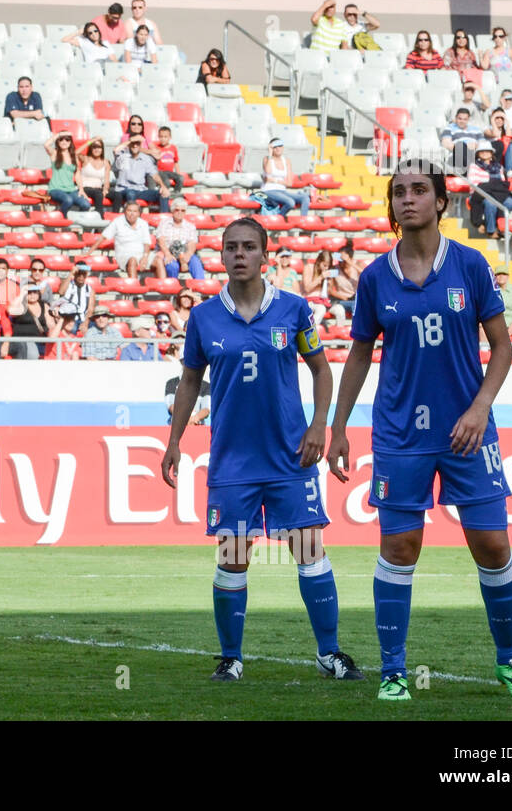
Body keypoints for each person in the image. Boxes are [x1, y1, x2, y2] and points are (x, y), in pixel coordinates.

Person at [327, 158, 512, 701]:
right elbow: (357, 357)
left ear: (441, 202)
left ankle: (511, 661)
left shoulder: (470, 266)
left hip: (468, 431)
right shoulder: (376, 277)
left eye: (420, 189)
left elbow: (502, 348)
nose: (408, 198)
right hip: (400, 435)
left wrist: (479, 408)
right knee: (401, 547)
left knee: (492, 545)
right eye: (399, 191)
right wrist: (339, 427)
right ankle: (394, 670)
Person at [162, 216, 361, 684]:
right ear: (222, 254)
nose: (238, 254)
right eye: (231, 246)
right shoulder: (204, 317)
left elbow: (322, 371)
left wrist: (319, 426)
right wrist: (174, 440)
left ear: (264, 255)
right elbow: (191, 381)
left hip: (291, 458)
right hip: (232, 461)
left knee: (309, 549)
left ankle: (329, 653)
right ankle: (231, 657)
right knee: (233, 557)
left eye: (248, 246)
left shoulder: (293, 310)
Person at [85, 200, 154, 278]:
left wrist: (145, 257)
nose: (132, 214)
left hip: (142, 254)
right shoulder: (117, 222)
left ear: (139, 213)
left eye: (135, 211)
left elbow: (147, 242)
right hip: (124, 255)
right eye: (129, 211)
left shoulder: (143, 223)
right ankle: (133, 286)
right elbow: (103, 237)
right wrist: (88, 252)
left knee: (159, 260)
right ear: (124, 211)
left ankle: (164, 286)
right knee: (132, 260)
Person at [109, 137, 165, 212]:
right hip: (124, 189)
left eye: (137, 143)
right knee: (131, 193)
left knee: (163, 194)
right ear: (129, 144)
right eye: (133, 144)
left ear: (140, 145)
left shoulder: (145, 159)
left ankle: (165, 219)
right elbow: (115, 150)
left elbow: (154, 174)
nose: (135, 146)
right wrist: (129, 140)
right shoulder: (123, 157)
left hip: (140, 190)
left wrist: (163, 186)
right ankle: (132, 218)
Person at [155, 197, 205, 280]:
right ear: (172, 210)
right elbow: (161, 241)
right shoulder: (164, 223)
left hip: (185, 252)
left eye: (183, 210)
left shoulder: (190, 226)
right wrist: (167, 254)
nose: (179, 213)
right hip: (169, 253)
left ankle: (200, 287)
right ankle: (172, 290)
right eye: (177, 210)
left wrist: (188, 255)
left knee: (196, 262)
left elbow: (192, 243)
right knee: (172, 265)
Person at [45, 131, 90, 218]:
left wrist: (81, 189)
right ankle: (62, 219)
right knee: (68, 200)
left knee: (86, 205)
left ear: (70, 142)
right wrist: (58, 134)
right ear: (57, 142)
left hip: (71, 189)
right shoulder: (55, 153)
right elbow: (46, 145)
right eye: (61, 139)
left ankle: (76, 222)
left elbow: (77, 174)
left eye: (67, 139)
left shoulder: (74, 156)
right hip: (55, 189)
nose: (64, 142)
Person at [8, 284, 60, 360]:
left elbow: (51, 325)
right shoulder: (22, 306)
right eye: (29, 292)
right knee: (33, 353)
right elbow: (10, 311)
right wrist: (22, 294)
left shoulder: (44, 305)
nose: (32, 295)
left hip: (41, 340)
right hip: (23, 341)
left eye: (35, 292)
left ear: (38, 293)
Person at [260, 138, 309, 216]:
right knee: (290, 202)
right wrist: (270, 154)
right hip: (269, 190)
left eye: (280, 146)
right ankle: (277, 219)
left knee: (305, 198)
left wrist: (273, 180)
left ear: (283, 147)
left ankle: (303, 220)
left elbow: (289, 183)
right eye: (275, 147)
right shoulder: (267, 159)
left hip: (282, 191)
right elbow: (268, 172)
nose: (278, 148)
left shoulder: (286, 161)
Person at [484, 108, 512, 178]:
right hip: (494, 154)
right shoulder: (487, 129)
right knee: (509, 144)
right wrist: (493, 119)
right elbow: (495, 134)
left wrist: (507, 122)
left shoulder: (505, 130)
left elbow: (508, 137)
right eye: (497, 118)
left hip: (506, 154)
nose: (500, 120)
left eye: (502, 118)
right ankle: (509, 170)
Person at [76, 138, 112, 213]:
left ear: (102, 149)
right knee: (99, 194)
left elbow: (106, 180)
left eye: (99, 147)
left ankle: (115, 217)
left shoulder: (106, 162)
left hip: (99, 188)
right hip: (86, 187)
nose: (96, 149)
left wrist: (105, 189)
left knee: (117, 195)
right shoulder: (85, 159)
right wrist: (90, 142)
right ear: (91, 148)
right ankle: (99, 215)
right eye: (94, 147)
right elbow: (76, 153)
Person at [59, 263, 97, 334]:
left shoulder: (90, 289)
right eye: (79, 273)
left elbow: (90, 309)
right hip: (70, 319)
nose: (81, 276)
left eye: (84, 274)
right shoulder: (68, 285)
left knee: (97, 330)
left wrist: (85, 323)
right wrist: (71, 273)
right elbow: (61, 291)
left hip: (84, 319)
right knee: (73, 329)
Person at [492, 265, 512, 339]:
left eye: (504, 274)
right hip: (498, 323)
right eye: (498, 274)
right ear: (494, 277)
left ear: (508, 276)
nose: (501, 276)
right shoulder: (492, 291)